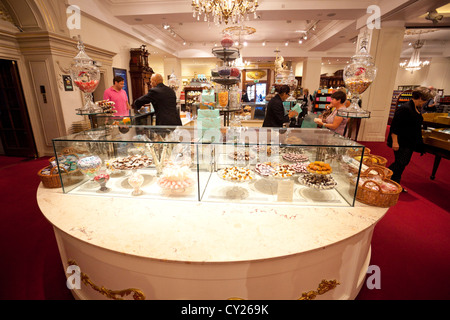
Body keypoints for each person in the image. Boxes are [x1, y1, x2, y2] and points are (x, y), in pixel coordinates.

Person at [387, 86, 433, 192]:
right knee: (401, 162)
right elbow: (395, 126)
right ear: (420, 98)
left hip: (409, 141)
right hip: (401, 141)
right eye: (425, 100)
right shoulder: (405, 108)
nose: (425, 103)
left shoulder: (416, 108)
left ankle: (394, 183)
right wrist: (395, 142)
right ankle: (385, 176)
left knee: (402, 163)